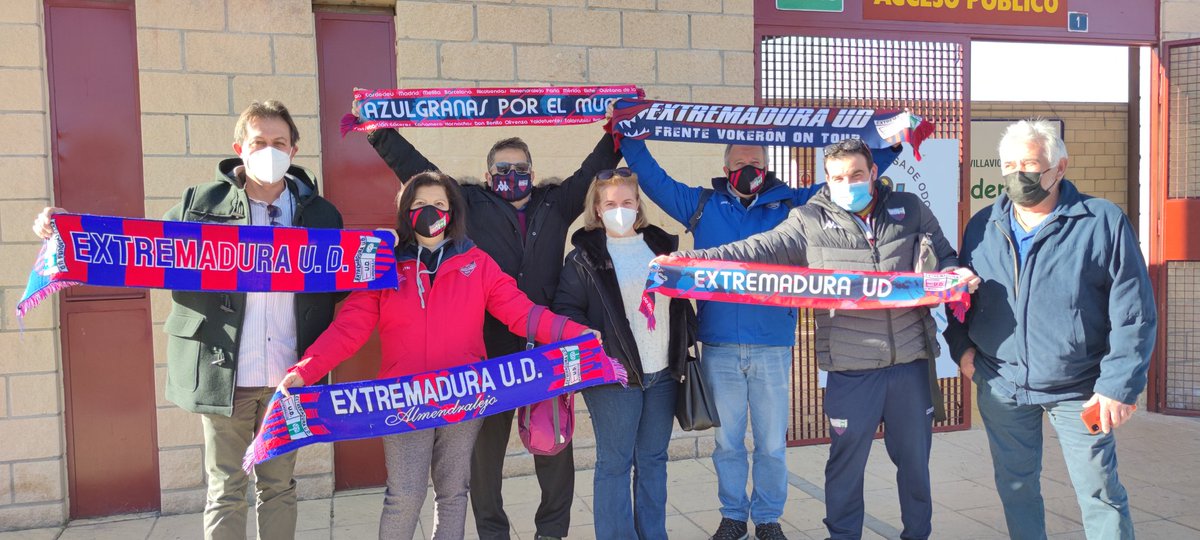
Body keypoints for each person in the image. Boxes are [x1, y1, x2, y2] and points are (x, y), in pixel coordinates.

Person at [32, 101, 344, 540]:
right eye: (259, 143)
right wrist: (70, 231)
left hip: (288, 378)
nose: (269, 151)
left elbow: (346, 285)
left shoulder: (322, 215)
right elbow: (140, 249)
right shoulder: (199, 204)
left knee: (279, 487)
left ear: (295, 149)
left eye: (278, 143)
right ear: (240, 148)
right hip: (224, 373)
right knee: (226, 488)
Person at [671, 137, 980, 540]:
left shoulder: (910, 210)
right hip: (851, 370)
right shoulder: (809, 220)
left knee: (916, 469)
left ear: (873, 173)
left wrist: (956, 272)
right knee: (845, 472)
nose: (847, 183)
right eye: (837, 177)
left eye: (855, 174)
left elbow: (945, 254)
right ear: (827, 182)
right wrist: (689, 262)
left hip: (911, 364)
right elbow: (755, 249)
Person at [351, 95, 622, 540]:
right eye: (502, 170)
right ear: (489, 173)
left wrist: (618, 130)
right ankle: (492, 533)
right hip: (488, 354)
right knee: (482, 461)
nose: (510, 177)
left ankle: (551, 533)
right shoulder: (470, 203)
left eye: (519, 170)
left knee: (553, 450)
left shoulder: (556, 203)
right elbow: (417, 170)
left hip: (544, 349)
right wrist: (377, 130)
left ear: (531, 174)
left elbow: (595, 165)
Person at [276, 171, 592, 540]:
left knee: (453, 494)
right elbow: (349, 328)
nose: (430, 211)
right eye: (420, 204)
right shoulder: (384, 266)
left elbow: (522, 313)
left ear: (452, 211)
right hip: (403, 398)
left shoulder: (477, 263)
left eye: (439, 204)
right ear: (405, 212)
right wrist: (306, 371)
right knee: (405, 495)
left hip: (462, 396)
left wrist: (576, 334)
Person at [619, 132, 899, 540]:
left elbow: (847, 182)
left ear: (768, 167)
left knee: (770, 444)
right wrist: (627, 137)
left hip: (771, 345)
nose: (747, 171)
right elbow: (654, 179)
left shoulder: (793, 206)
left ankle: (767, 519)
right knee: (728, 442)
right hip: (719, 346)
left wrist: (890, 147)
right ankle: (733, 516)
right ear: (725, 169)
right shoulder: (702, 205)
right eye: (739, 164)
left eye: (755, 163)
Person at [943, 119, 1156, 540]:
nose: (1018, 174)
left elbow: (1134, 311)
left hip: (1082, 389)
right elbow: (959, 294)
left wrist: (1118, 384)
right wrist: (962, 349)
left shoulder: (1101, 221)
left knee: (1099, 491)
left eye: (1030, 163)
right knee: (1016, 488)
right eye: (1009, 165)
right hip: (1002, 384)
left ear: (1060, 167)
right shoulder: (983, 225)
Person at [551, 168, 696, 540]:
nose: (620, 209)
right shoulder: (584, 257)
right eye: (611, 203)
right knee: (615, 464)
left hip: (663, 373)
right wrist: (585, 333)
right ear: (597, 210)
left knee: (653, 461)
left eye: (627, 202)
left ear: (638, 205)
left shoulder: (662, 247)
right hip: (614, 376)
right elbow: (567, 308)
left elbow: (679, 304)